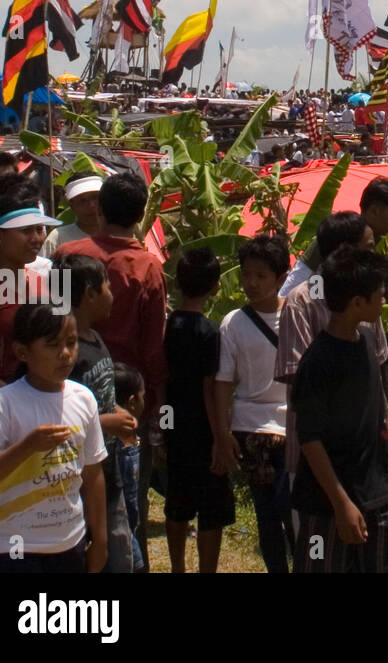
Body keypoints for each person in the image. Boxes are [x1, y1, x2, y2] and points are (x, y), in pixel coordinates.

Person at [57, 171, 168, 569]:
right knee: (124, 499)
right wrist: (156, 403)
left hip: (67, 386)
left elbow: (51, 318)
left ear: (100, 209)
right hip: (126, 400)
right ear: (141, 216)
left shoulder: (68, 254)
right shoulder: (147, 267)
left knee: (70, 493)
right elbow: (154, 346)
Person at [0, 303, 106, 573]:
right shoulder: (4, 403)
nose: (66, 354)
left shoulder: (83, 399)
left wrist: (100, 539)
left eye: (71, 342)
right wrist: (28, 447)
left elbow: (93, 473)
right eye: (53, 345)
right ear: (22, 352)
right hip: (13, 547)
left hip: (68, 542)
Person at [0, 187, 60, 569]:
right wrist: (5, 394)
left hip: (30, 419)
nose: (36, 237)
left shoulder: (44, 283)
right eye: (25, 230)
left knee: (23, 514)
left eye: (39, 228)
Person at [290, 248, 388, 573]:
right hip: (326, 504)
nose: (384, 302)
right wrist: (341, 504)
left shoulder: (365, 340)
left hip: (375, 494)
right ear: (357, 303)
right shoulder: (318, 361)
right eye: (380, 296)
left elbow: (370, 398)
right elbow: (310, 439)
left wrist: (387, 422)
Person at [213, 235, 293, 573]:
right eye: (246, 274)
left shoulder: (296, 314)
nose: (251, 283)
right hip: (251, 430)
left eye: (261, 276)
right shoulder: (233, 322)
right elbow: (223, 382)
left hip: (294, 429)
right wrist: (222, 433)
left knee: (292, 509)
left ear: (279, 277)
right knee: (267, 512)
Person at [61, 254, 138, 573]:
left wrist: (117, 413)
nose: (112, 292)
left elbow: (98, 399)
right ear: (90, 294)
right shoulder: (67, 354)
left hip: (109, 469)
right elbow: (61, 415)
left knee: (120, 548)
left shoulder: (95, 339)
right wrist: (109, 422)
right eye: (107, 284)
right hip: (79, 476)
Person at [163, 248, 235, 573]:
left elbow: (162, 378)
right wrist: (220, 437)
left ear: (177, 282)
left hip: (175, 423)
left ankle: (177, 566)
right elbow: (210, 387)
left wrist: (162, 427)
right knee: (211, 506)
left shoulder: (166, 328)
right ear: (215, 287)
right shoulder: (210, 332)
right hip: (203, 427)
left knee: (177, 501)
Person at [281, 210, 375, 299]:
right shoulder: (310, 299)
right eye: (369, 247)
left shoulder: (367, 286)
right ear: (346, 252)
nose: (373, 253)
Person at [113, 364, 146, 572]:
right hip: (124, 530)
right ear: (133, 402)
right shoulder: (121, 447)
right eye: (144, 396)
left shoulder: (129, 439)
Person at [40, 175, 104, 258]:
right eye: (83, 201)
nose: (91, 205)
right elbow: (48, 269)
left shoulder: (118, 234)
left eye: (95, 198)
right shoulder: (58, 238)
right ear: (71, 205)